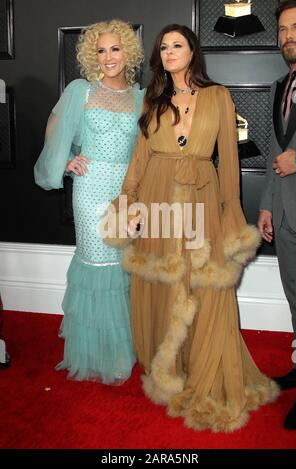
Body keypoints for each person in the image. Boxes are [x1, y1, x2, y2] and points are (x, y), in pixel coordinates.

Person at [105, 24, 279, 431]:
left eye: (177, 45)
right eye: (163, 47)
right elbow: (139, 157)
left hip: (200, 195)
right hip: (157, 193)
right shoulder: (153, 98)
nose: (168, 52)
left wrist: (230, 213)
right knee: (165, 281)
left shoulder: (218, 96)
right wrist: (128, 203)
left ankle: (202, 364)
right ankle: (169, 363)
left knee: (201, 283)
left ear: (192, 50)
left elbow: (230, 163)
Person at [34, 20, 144, 384]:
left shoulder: (140, 97)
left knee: (121, 269)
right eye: (101, 50)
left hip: (124, 193)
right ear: (91, 56)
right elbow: (54, 127)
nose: (108, 57)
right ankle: (96, 353)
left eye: (115, 48)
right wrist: (65, 161)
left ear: (127, 52)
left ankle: (121, 349)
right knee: (98, 266)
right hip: (90, 189)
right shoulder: (81, 90)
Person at [258, 0, 296, 430]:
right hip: (286, 215)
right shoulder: (278, 86)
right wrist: (267, 205)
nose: (288, 35)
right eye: (284, 29)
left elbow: (291, 155)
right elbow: (274, 153)